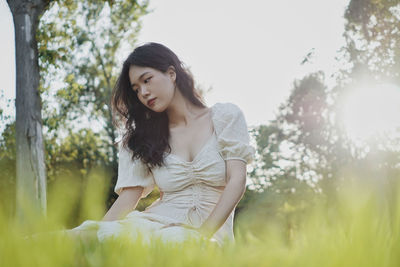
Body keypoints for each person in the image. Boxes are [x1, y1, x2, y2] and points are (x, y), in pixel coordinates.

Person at [65, 42, 255, 247]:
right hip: (154, 225)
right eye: (136, 89)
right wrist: (95, 235)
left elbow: (237, 180)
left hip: (207, 236)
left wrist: (202, 235)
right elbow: (128, 199)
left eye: (147, 80)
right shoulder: (142, 138)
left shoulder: (225, 117)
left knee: (176, 243)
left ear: (171, 73)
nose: (143, 93)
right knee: (68, 240)